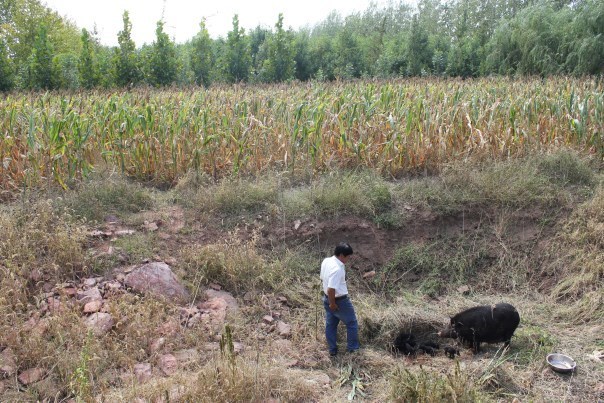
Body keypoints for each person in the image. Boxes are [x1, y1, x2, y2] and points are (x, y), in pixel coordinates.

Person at [320, 242, 359, 356]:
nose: (348, 259)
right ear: (342, 255)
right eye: (348, 257)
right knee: (352, 323)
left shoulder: (326, 261)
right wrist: (333, 304)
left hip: (327, 299)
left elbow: (323, 278)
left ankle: (333, 350)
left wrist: (330, 302)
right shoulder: (338, 268)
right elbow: (331, 289)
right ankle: (353, 349)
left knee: (331, 325)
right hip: (339, 301)